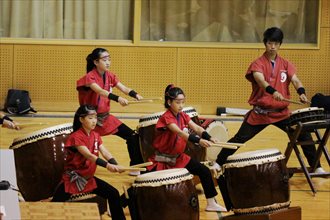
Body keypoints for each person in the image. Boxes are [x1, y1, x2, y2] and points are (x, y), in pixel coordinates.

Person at [215, 27, 326, 173]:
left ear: (280, 44)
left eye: (276, 43)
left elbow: (296, 80)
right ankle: (218, 162)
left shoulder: (286, 64)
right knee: (240, 138)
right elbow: (261, 81)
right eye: (269, 43)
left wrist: (302, 93)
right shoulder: (257, 64)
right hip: (261, 113)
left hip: (282, 113)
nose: (272, 46)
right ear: (265, 44)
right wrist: (273, 92)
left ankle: (316, 166)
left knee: (302, 133)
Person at [146, 84, 227, 212]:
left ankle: (211, 203)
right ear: (169, 102)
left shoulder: (182, 115)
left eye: (183, 102)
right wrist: (199, 141)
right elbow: (180, 133)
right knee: (143, 184)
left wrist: (209, 137)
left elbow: (197, 128)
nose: (181, 105)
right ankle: (119, 203)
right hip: (162, 159)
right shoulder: (166, 117)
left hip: (178, 158)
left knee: (204, 171)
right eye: (178, 102)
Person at [51, 105, 126, 220]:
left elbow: (105, 152)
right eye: (90, 118)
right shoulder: (76, 137)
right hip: (74, 180)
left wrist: (115, 164)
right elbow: (89, 156)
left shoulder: (95, 135)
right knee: (54, 205)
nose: (94, 121)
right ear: (81, 119)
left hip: (88, 179)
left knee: (113, 194)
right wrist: (108, 166)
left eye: (95, 117)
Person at [76, 48, 144, 172]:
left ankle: (135, 167)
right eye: (105, 59)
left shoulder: (110, 76)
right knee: (83, 146)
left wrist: (135, 94)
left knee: (133, 136)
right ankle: (79, 170)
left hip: (106, 118)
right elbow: (100, 91)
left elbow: (123, 88)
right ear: (96, 62)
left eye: (109, 59)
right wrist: (118, 99)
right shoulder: (89, 77)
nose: (108, 62)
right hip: (89, 119)